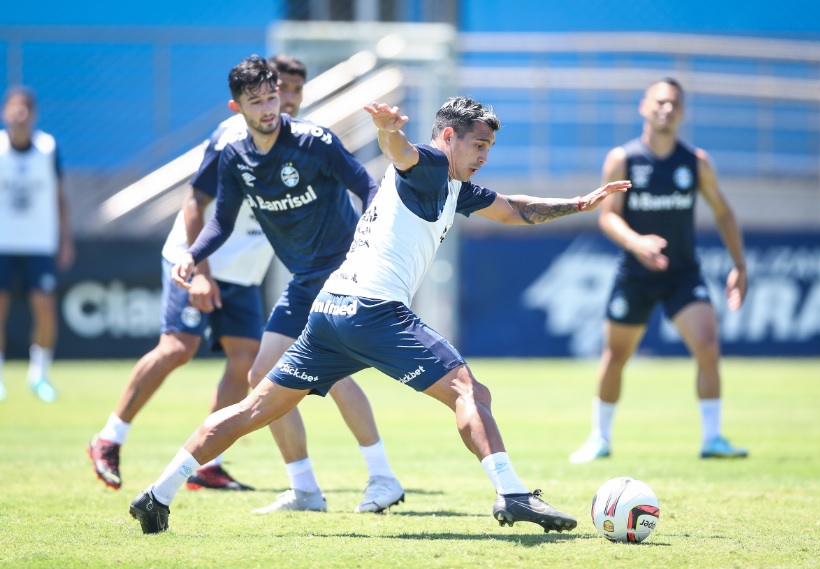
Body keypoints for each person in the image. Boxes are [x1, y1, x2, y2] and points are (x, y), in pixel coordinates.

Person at [127, 86, 630, 534]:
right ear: (449, 136)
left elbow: (516, 209)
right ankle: (513, 494)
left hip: (328, 310)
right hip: (372, 309)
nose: (484, 156)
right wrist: (388, 131)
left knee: (253, 410)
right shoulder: (431, 165)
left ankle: (158, 494)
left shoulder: (454, 185)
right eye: (479, 145)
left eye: (490, 148)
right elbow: (404, 154)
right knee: (468, 390)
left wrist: (578, 203)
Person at [90, 55, 404, 514]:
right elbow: (219, 218)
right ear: (237, 108)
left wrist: (370, 241)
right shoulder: (235, 153)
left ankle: (382, 477)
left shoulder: (315, 141)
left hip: (340, 272)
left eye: (273, 96)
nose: (269, 107)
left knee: (330, 378)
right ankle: (306, 490)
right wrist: (193, 256)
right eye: (256, 101)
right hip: (304, 279)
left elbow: (369, 186)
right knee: (261, 375)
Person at [568, 77, 749, 464]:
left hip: (683, 274)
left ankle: (713, 438)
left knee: (708, 346)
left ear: (682, 112)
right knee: (615, 355)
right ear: (644, 106)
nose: (666, 109)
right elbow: (608, 218)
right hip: (635, 275)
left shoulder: (695, 162)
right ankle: (599, 438)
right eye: (660, 102)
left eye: (674, 104)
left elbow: (723, 212)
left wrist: (739, 265)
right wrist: (638, 243)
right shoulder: (623, 159)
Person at [0, 86, 75, 403]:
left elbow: (59, 195)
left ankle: (39, 374)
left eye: (26, 108)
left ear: (33, 114)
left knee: (45, 308)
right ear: (5, 112)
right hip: (2, 242)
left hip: (39, 242)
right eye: (14, 107)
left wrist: (65, 238)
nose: (20, 113)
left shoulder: (48, 147)